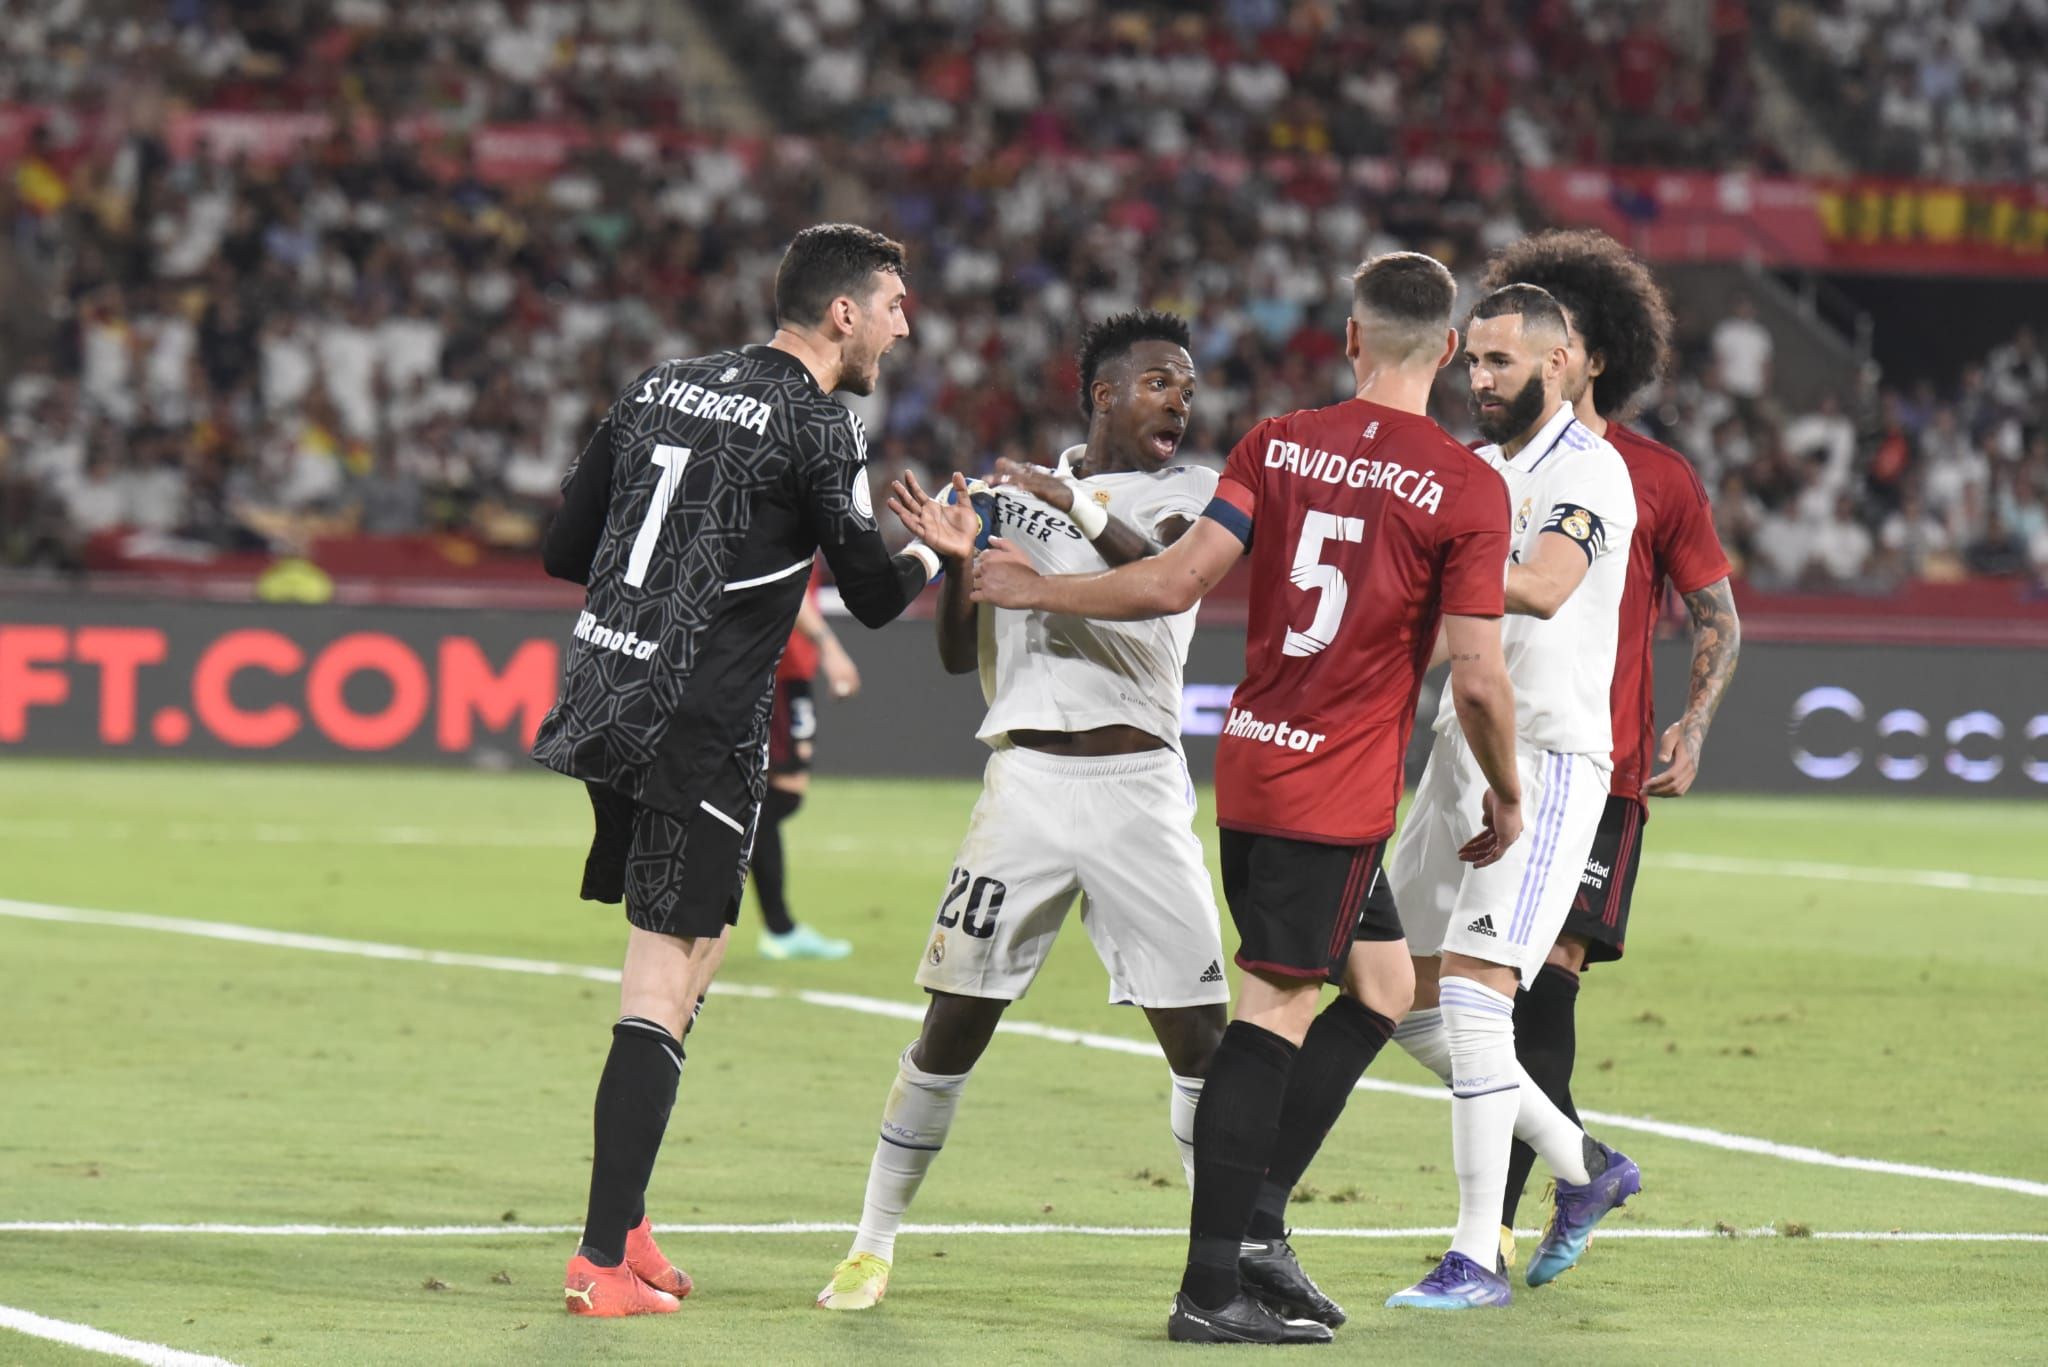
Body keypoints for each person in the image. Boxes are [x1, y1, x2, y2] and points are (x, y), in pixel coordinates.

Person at [973, 253, 1524, 1345]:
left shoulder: (1276, 442)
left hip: (1258, 761)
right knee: (1274, 1010)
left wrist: (1042, 585)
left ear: (1353, 338)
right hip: (1333, 786)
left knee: (1379, 987)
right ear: (1451, 350)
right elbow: (1476, 676)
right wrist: (1506, 793)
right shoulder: (1468, 486)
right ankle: (1210, 1282)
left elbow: (1175, 580)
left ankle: (1258, 1228)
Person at [532, 223, 963, 1318]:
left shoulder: (660, 381)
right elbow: (874, 595)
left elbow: (564, 549)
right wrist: (941, 545)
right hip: (699, 723)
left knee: (703, 941)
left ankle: (628, 1217)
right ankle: (598, 1260)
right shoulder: (818, 421)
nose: (904, 325)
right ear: (842, 313)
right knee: (662, 973)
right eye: (894, 305)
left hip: (604, 693)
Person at [816, 311, 1232, 1313]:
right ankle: (870, 1243)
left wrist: (1072, 504)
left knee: (1202, 1042)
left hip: (1138, 790)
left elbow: (1165, 583)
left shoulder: (1192, 492)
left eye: (1186, 387)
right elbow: (957, 655)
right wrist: (961, 561)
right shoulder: (1004, 496)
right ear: (1103, 394)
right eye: (1159, 383)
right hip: (1027, 788)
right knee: (953, 1022)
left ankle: (1223, 1258)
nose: (1179, 401)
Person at [1376, 283, 1643, 1311]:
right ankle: (1581, 1164)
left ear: (1559, 363)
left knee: (1476, 999)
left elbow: (1541, 584)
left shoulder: (1591, 470)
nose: (1479, 379)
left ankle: (1473, 1255)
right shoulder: (1477, 468)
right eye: (1473, 361)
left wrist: (1418, 570)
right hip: (1462, 748)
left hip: (1545, 760)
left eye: (1501, 361)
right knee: (1390, 985)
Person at [1476, 231, 1740, 1262]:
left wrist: (1693, 720)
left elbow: (1716, 613)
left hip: (1603, 767)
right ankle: (1578, 1171)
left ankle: (1493, 1225)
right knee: (1469, 989)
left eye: (1566, 336)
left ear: (1591, 356)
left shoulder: (1654, 475)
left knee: (1543, 976)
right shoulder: (1487, 467)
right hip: (1492, 756)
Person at [754, 569, 861, 961]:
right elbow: (787, 583)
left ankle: (778, 928)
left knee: (772, 798)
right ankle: (776, 927)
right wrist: (830, 647)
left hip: (790, 669)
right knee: (772, 798)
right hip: (775, 669)